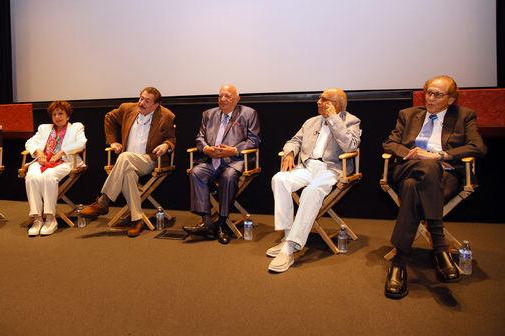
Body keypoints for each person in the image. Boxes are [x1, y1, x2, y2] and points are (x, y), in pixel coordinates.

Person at [382, 75, 487, 299]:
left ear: (451, 99)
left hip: (446, 175)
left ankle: (398, 265)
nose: (430, 98)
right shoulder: (408, 114)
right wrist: (411, 156)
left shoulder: (464, 116)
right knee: (425, 169)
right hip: (408, 167)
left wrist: (438, 155)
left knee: (413, 187)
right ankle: (439, 246)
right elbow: (390, 143)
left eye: (438, 95)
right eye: (428, 92)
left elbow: (478, 147)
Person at [267, 88, 360, 272]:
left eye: (324, 99)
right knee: (279, 179)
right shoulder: (311, 122)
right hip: (308, 166)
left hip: (331, 169)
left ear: (336, 104)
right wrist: (290, 153)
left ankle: (289, 249)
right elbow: (294, 140)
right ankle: (287, 236)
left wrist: (334, 119)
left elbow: (350, 145)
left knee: (312, 191)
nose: (318, 101)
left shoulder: (351, 121)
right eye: (319, 98)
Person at [79, 87, 176, 237]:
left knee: (124, 157)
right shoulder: (127, 109)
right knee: (128, 173)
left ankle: (103, 201)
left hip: (149, 160)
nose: (142, 103)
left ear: (156, 105)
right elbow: (109, 117)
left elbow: (171, 138)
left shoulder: (167, 116)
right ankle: (137, 220)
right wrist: (112, 142)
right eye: (141, 98)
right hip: (127, 163)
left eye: (147, 101)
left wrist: (167, 145)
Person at [183, 85, 261, 244]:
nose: (223, 99)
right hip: (211, 161)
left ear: (237, 99)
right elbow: (199, 138)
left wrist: (233, 150)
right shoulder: (208, 114)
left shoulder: (248, 113)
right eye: (220, 96)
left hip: (236, 162)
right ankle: (208, 223)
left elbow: (254, 140)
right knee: (196, 172)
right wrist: (206, 149)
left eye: (227, 96)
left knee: (229, 177)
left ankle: (222, 224)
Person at [24, 101, 87, 236]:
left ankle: (51, 219)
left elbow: (81, 143)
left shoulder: (76, 127)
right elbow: (30, 142)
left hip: (66, 162)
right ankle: (37, 219)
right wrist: (39, 152)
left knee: (48, 176)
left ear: (68, 116)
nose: (57, 117)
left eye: (60, 113)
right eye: (54, 114)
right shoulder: (44, 128)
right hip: (44, 161)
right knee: (31, 176)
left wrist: (62, 152)